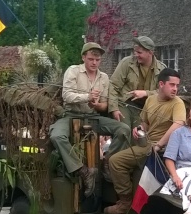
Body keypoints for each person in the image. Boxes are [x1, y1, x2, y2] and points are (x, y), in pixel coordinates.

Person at [49, 42, 130, 198]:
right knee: (57, 135)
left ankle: (107, 162)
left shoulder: (104, 77)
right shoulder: (73, 71)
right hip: (71, 115)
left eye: (97, 60)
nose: (94, 63)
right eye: (91, 59)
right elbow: (66, 96)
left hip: (93, 117)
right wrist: (87, 97)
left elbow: (104, 105)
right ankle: (83, 171)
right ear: (83, 57)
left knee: (123, 130)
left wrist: (97, 104)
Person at [107, 68, 186, 214]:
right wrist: (138, 129)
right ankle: (125, 198)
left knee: (115, 161)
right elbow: (145, 124)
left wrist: (158, 145)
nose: (175, 89)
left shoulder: (177, 103)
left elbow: (178, 125)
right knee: (115, 158)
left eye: (177, 85)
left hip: (160, 148)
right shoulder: (151, 100)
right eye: (172, 84)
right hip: (148, 144)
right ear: (161, 84)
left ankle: (125, 202)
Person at [109, 36, 167, 144]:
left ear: (150, 52)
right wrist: (114, 109)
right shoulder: (126, 63)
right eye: (135, 52)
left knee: (140, 138)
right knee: (124, 132)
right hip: (125, 103)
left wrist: (145, 93)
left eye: (139, 52)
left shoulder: (162, 69)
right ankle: (115, 159)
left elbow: (164, 92)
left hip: (146, 109)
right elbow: (113, 85)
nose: (136, 55)